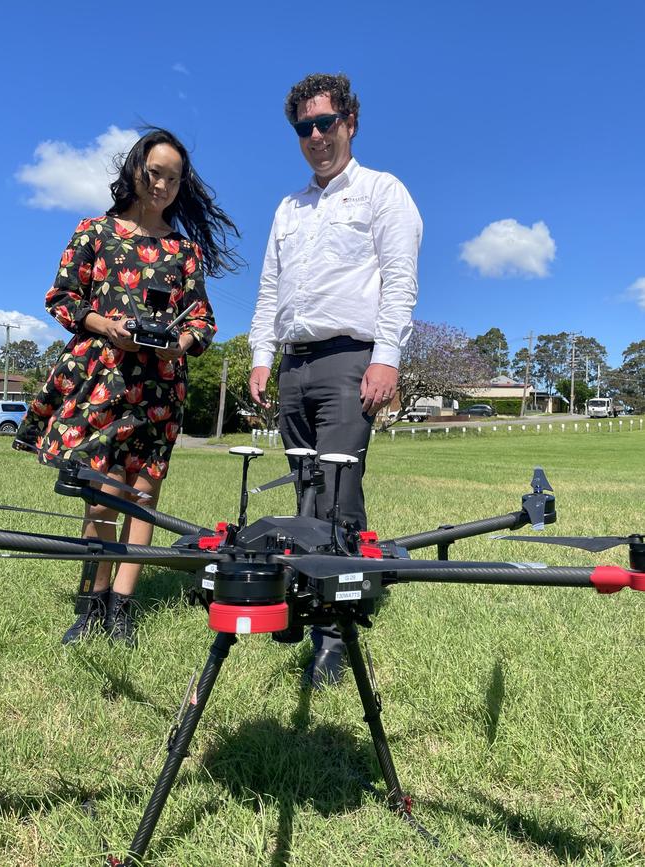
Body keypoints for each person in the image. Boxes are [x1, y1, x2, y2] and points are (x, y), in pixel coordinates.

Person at [15, 127, 239, 645]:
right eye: (154, 172)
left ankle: (122, 606)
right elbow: (62, 298)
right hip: (102, 380)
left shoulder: (184, 250)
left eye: (173, 178)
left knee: (142, 494)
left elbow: (203, 320)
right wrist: (108, 327)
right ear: (136, 170)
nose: (161, 184)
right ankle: (92, 603)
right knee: (100, 497)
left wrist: (179, 343)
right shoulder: (95, 231)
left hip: (159, 386)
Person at [248, 73, 422, 686]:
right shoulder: (288, 208)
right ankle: (303, 602)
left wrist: (386, 357)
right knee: (303, 486)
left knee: (338, 489)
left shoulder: (383, 192)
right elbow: (270, 287)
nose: (316, 136)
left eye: (326, 123)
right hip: (294, 363)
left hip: (352, 357)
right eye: (304, 127)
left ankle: (336, 632)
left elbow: (400, 281)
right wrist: (261, 354)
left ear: (350, 122)